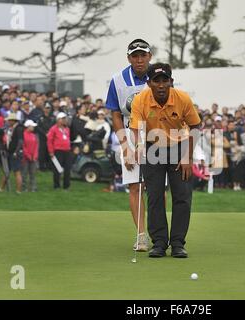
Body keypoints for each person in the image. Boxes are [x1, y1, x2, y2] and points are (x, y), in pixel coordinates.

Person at [129, 63, 201, 259]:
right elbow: (135, 128)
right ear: (149, 83)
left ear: (171, 82)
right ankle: (159, 243)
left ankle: (178, 243)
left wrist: (188, 156)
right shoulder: (140, 100)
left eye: (164, 80)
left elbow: (195, 126)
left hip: (180, 146)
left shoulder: (182, 98)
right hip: (153, 147)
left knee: (182, 196)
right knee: (155, 196)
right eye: (156, 81)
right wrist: (137, 146)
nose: (161, 85)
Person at [106, 39, 153, 252]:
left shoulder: (159, 76)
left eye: (143, 55)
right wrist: (125, 147)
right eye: (135, 56)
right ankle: (141, 235)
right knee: (135, 187)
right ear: (129, 58)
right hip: (129, 134)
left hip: (155, 135)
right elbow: (115, 114)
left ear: (149, 56)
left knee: (156, 188)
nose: (139, 59)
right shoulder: (117, 80)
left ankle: (158, 234)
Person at [0, 113, 24, 194]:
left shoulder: (18, 129)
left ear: (13, 121)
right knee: (6, 171)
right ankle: (1, 188)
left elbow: (20, 141)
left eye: (9, 121)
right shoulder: (10, 129)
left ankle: (18, 190)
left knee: (17, 171)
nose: (8, 122)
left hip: (15, 152)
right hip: (9, 152)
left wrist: (16, 151)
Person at [47, 112, 72, 190]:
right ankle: (56, 185)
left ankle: (66, 186)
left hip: (67, 151)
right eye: (63, 119)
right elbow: (49, 140)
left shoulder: (67, 129)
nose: (65, 120)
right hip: (58, 151)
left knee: (67, 169)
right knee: (57, 169)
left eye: (65, 119)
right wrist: (51, 151)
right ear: (58, 120)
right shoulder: (53, 129)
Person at [22, 120, 39, 192]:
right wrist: (28, 155)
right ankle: (24, 187)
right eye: (32, 126)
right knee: (24, 173)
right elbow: (23, 147)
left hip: (33, 157)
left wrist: (34, 156)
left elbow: (36, 146)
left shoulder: (34, 135)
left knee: (33, 173)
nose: (33, 127)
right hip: (25, 157)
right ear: (28, 126)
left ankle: (33, 187)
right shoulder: (23, 135)